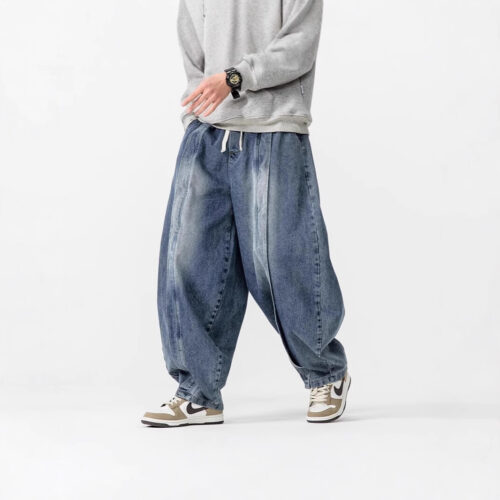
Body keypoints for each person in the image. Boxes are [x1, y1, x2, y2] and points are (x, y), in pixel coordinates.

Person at [141, 0, 350, 427]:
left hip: (274, 128)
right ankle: (198, 393)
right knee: (188, 262)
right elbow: (191, 45)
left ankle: (326, 373)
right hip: (208, 132)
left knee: (281, 261)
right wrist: (196, 113)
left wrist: (235, 78)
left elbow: (299, 46)